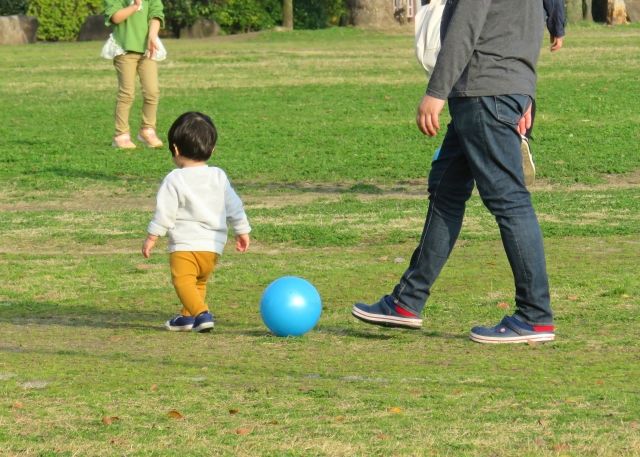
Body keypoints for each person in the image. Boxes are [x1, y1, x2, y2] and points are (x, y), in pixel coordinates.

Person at [352, 0, 555, 344]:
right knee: (446, 193)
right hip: (498, 90)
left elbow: (464, 27)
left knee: (509, 200)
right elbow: (532, 25)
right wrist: (525, 94)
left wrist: (435, 91)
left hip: (482, 92)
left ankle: (534, 316)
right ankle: (407, 302)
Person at [142, 112, 251, 332]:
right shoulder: (219, 176)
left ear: (175, 149)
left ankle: (202, 314)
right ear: (212, 150)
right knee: (198, 282)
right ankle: (187, 317)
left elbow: (165, 212)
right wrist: (242, 231)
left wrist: (152, 236)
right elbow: (234, 206)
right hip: (212, 248)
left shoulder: (175, 178)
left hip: (186, 245)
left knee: (183, 282)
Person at [104, 0, 165, 149]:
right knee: (127, 93)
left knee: (152, 91)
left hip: (147, 50)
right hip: (124, 50)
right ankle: (121, 135)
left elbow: (156, 15)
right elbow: (116, 17)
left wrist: (152, 35)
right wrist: (135, 6)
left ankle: (147, 130)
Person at [521, 0, 566, 185]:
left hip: (484, 20)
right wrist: (557, 26)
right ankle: (520, 137)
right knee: (521, 78)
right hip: (529, 19)